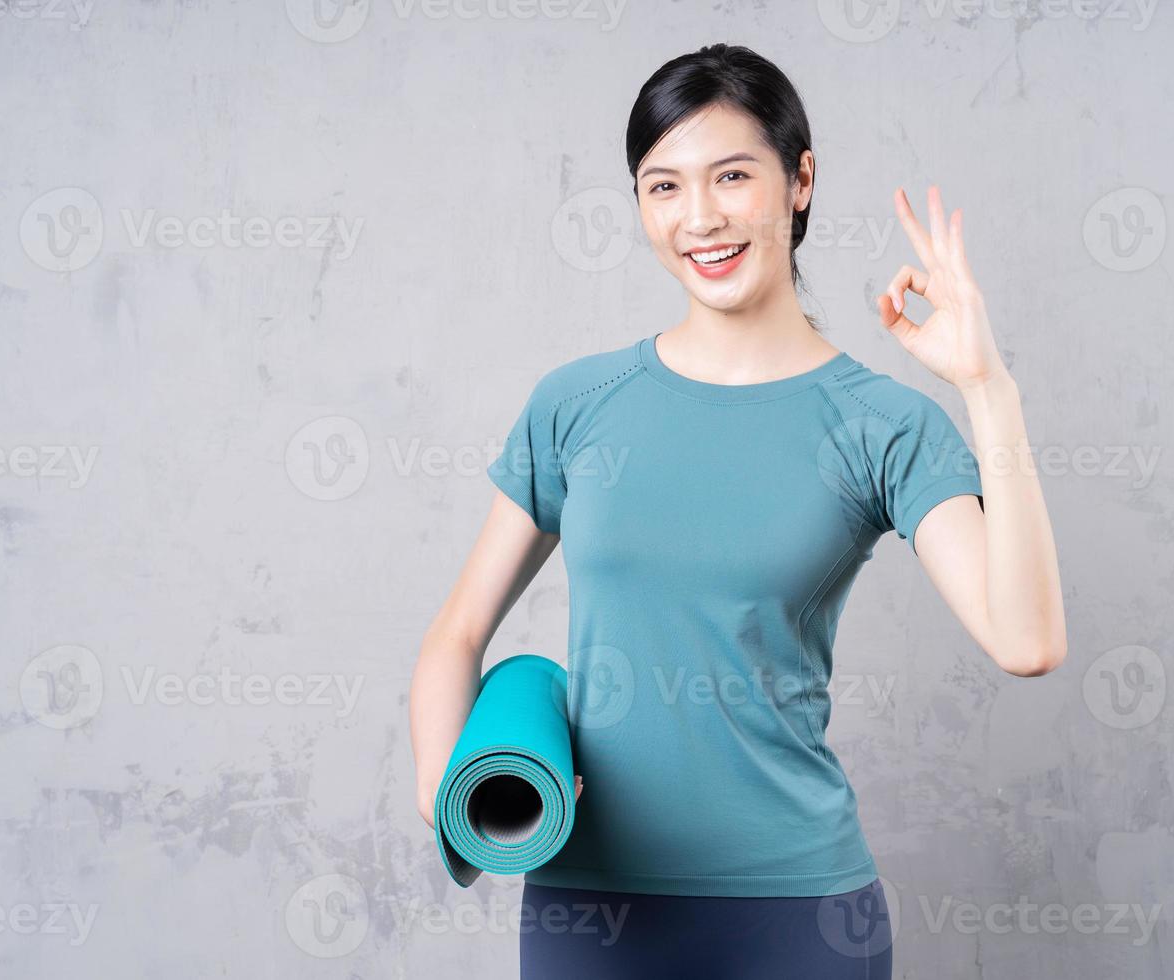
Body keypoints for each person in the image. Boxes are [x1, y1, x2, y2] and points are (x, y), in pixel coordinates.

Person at [411, 42, 1066, 978]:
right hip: (589, 915)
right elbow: (455, 634)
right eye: (663, 186)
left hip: (798, 917)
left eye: (731, 176)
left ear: (799, 181)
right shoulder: (576, 404)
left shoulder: (883, 425)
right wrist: (461, 806)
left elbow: (1027, 641)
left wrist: (989, 388)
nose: (700, 218)